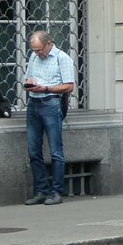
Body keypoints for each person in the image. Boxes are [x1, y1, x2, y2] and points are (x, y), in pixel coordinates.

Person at [23, 30, 74, 206]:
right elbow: (29, 76)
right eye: (34, 50)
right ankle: (41, 191)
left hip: (51, 104)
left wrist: (45, 88)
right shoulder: (34, 57)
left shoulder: (62, 58)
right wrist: (30, 83)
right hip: (33, 104)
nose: (37, 53)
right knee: (34, 151)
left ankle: (57, 192)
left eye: (39, 50)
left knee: (56, 151)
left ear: (48, 44)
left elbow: (68, 87)